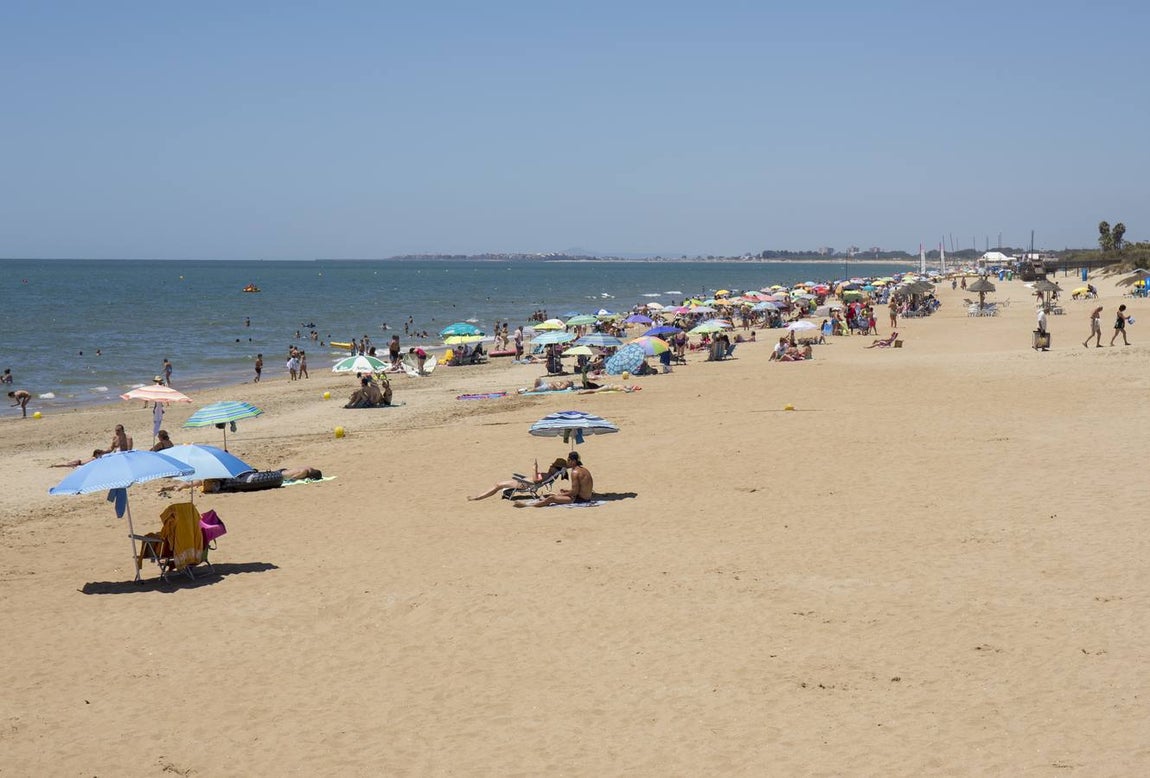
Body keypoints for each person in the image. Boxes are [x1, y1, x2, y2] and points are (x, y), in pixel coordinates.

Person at [514, 451, 593, 508]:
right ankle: (544, 500)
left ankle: (528, 505)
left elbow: (574, 492)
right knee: (558, 494)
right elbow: (579, 488)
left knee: (551, 498)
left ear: (574, 461)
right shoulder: (584, 470)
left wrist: (561, 495)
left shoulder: (575, 472)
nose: (567, 462)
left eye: (568, 460)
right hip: (586, 497)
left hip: (580, 499)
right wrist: (567, 491)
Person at [468, 458, 568, 501]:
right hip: (525, 482)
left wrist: (534, 468)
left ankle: (478, 497)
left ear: (555, 469)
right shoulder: (549, 475)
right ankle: (479, 496)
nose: (550, 466)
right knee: (498, 485)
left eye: (553, 466)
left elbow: (535, 480)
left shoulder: (547, 475)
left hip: (524, 484)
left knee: (498, 485)